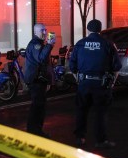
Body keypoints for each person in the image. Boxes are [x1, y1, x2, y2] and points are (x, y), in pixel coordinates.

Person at [69, 19, 122, 148]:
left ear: (88, 30)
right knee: (100, 112)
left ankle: (80, 138)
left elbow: (72, 66)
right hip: (101, 84)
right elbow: (117, 66)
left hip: (84, 83)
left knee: (81, 110)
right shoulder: (108, 44)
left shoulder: (80, 44)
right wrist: (113, 81)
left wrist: (78, 78)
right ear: (100, 30)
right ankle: (101, 140)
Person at [24, 23, 56, 138]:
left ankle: (35, 130)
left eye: (45, 30)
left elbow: (46, 64)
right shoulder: (35, 44)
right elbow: (41, 59)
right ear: (35, 32)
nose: (44, 32)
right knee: (37, 106)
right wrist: (49, 45)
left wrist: (49, 79)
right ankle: (35, 131)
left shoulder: (40, 43)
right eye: (42, 30)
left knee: (39, 106)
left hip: (40, 79)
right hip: (36, 80)